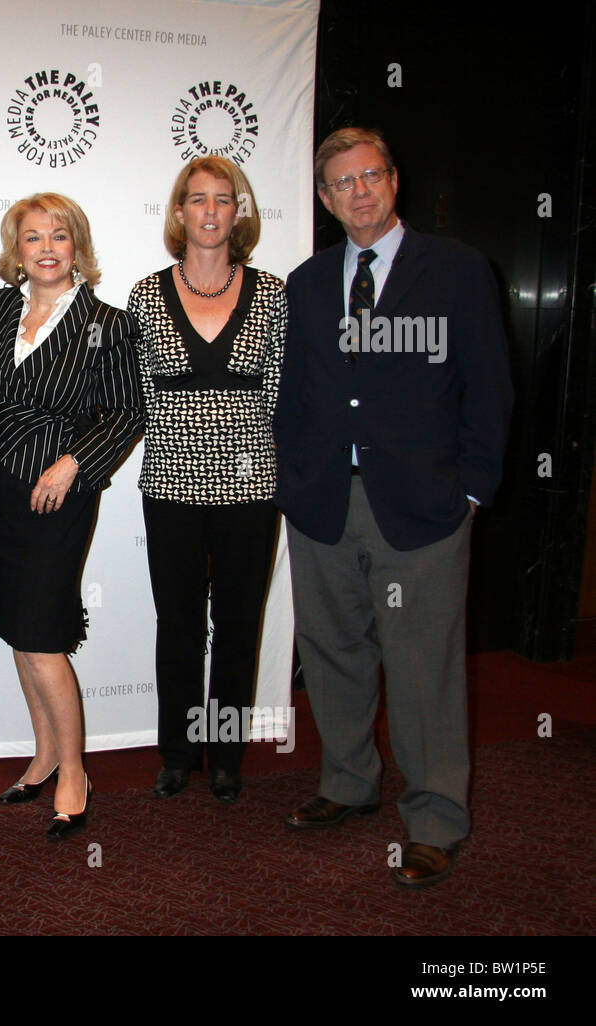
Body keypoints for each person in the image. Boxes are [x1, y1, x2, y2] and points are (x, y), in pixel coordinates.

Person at [274, 127, 512, 887]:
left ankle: (437, 815)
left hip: (423, 508)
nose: (360, 191)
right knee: (333, 653)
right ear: (324, 199)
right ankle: (348, 784)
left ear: (394, 181)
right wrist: (291, 479)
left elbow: (491, 390)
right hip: (323, 507)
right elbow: (296, 397)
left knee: (423, 669)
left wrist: (472, 491)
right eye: (343, 183)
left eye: (371, 175)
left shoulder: (457, 270)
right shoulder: (306, 283)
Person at [0, 193, 143, 839]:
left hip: (58, 489)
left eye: (59, 235)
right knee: (20, 628)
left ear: (77, 245)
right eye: (32, 237)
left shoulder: (109, 321)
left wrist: (74, 463)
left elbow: (127, 412)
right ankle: (44, 753)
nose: (46, 247)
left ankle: (75, 770)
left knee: (44, 633)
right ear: (15, 249)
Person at [130, 156, 285, 805]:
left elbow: (278, 394)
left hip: (250, 493)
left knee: (239, 625)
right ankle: (177, 753)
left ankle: (226, 756)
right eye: (199, 199)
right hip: (170, 489)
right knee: (179, 626)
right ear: (179, 212)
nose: (212, 210)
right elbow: (137, 395)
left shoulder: (273, 293)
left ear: (238, 213)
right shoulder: (144, 295)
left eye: (225, 199)